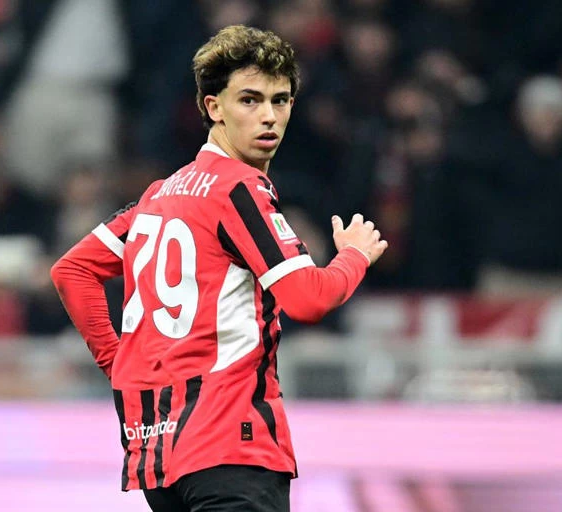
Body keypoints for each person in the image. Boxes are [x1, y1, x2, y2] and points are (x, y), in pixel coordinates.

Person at [51, 25, 387, 512]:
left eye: (280, 100)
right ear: (214, 107)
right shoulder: (238, 189)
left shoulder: (159, 195)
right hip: (232, 446)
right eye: (249, 100)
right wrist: (354, 256)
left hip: (159, 458)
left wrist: (119, 366)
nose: (269, 116)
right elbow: (308, 298)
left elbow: (72, 270)